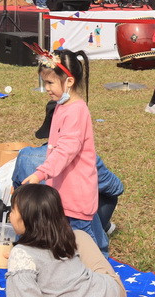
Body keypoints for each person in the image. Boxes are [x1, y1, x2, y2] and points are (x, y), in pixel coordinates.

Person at [6, 184, 125, 297]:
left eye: (13, 210)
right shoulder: (65, 236)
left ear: (25, 218)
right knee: (81, 238)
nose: (10, 215)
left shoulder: (21, 255)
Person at [20, 49, 109, 255]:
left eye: (50, 83)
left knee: (89, 252)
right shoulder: (62, 105)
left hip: (76, 196)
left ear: (68, 82)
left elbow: (66, 150)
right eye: (45, 83)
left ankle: (103, 281)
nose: (47, 89)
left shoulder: (76, 110)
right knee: (70, 247)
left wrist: (39, 174)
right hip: (64, 194)